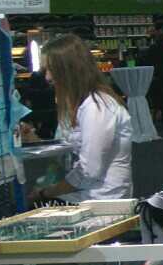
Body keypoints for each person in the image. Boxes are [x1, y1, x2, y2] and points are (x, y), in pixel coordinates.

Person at [28, 34, 132, 203]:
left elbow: (89, 171)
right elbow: (67, 152)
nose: (47, 77)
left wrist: (46, 193)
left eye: (51, 70)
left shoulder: (97, 107)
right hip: (83, 197)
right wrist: (35, 141)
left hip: (101, 203)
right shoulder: (79, 104)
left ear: (69, 70)